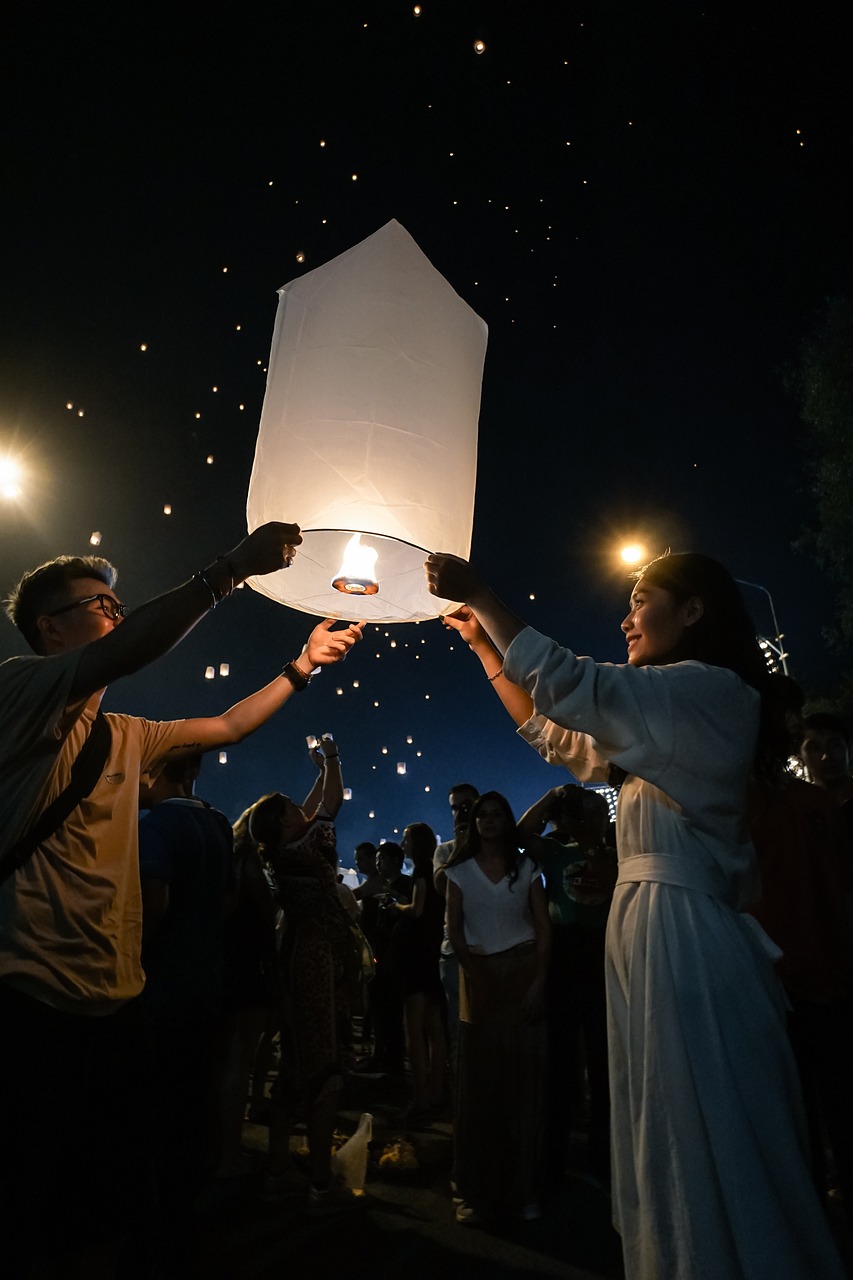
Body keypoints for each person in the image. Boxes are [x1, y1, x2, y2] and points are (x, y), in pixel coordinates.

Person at [426, 549, 846, 1279]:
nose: (625, 615)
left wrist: (486, 595)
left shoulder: (713, 692)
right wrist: (484, 648)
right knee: (663, 1120)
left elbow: (572, 684)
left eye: (642, 597)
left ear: (693, 611)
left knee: (699, 1123)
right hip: (649, 922)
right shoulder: (666, 719)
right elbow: (558, 735)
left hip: (682, 931)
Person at [0, 525, 362, 1277]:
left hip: (115, 996)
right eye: (101, 603)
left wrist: (301, 666)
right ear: (50, 627)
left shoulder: (123, 734)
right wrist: (228, 570)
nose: (118, 613)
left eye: (118, 601)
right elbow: (125, 651)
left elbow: (227, 725)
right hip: (28, 993)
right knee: (33, 1201)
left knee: (112, 1195)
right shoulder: (18, 690)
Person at [137, 753, 235, 1275]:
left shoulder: (156, 825)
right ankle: (190, 1214)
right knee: (196, 1100)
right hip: (207, 980)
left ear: (155, 774)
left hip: (163, 987)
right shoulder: (218, 822)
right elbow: (225, 902)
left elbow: (154, 905)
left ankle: (157, 1230)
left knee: (159, 1108)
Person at [249, 789, 361, 1210]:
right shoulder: (304, 847)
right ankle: (319, 1180)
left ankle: (278, 1171)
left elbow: (312, 810)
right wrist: (330, 758)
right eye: (293, 809)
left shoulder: (284, 851)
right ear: (282, 823)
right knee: (322, 1072)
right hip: (316, 963)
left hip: (297, 958)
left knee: (295, 1069)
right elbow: (330, 805)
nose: (304, 810)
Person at [445, 791, 550, 1225]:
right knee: (478, 1087)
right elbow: (455, 931)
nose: (488, 821)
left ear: (508, 821)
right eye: (480, 815)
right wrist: (475, 977)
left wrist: (539, 983)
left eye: (495, 814)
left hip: (523, 969)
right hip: (479, 974)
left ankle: (521, 1189)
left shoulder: (527, 869)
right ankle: (471, 1190)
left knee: (524, 1088)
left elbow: (543, 927)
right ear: (473, 825)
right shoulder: (458, 872)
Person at [518, 783, 615, 1188]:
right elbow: (520, 834)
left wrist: (593, 841)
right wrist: (552, 797)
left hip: (603, 953)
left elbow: (611, 883)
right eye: (578, 813)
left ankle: (603, 1153)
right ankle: (554, 1154)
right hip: (565, 952)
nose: (583, 820)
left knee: (604, 1058)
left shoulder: (615, 854)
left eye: (592, 813)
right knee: (559, 1060)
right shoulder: (556, 853)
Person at [389, 822, 447, 1124]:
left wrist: (397, 907)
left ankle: (421, 1097)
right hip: (433, 954)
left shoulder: (422, 871)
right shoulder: (435, 869)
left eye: (406, 839)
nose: (402, 844)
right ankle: (436, 1092)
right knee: (435, 1028)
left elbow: (418, 909)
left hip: (417, 957)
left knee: (414, 1027)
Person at [432, 782, 478, 1072]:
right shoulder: (445, 851)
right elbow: (440, 886)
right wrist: (460, 849)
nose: (460, 813)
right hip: (454, 952)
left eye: (466, 806)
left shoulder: (491, 845)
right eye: (455, 807)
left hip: (489, 947)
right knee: (458, 1023)